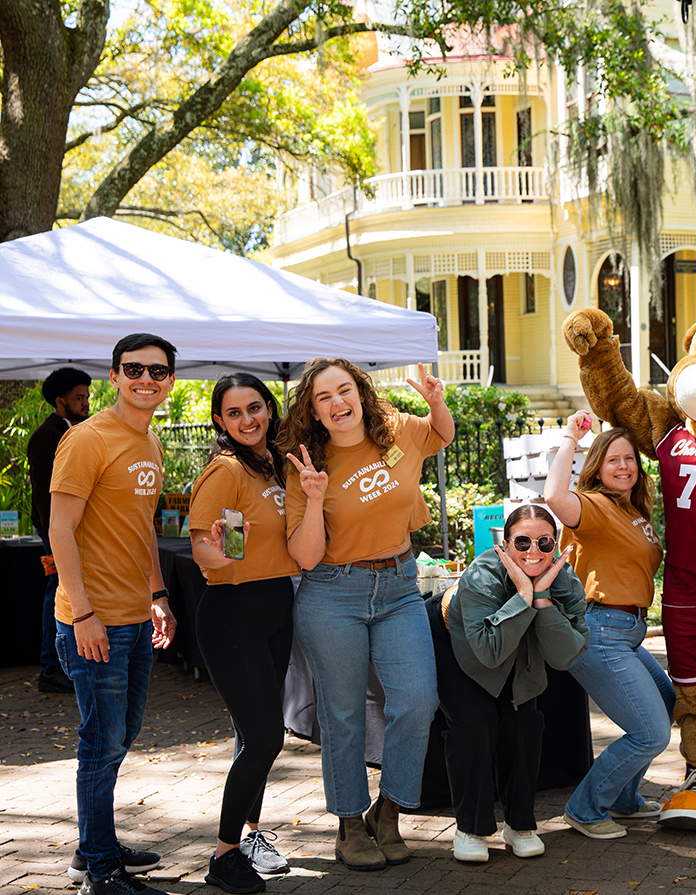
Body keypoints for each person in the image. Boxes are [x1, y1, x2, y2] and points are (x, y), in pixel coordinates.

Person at [279, 359, 454, 872]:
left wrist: (436, 401)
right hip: (333, 593)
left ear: (360, 392)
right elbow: (306, 557)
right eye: (323, 397)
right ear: (312, 409)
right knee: (344, 714)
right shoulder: (307, 463)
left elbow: (439, 435)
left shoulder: (394, 428)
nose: (337, 403)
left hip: (399, 586)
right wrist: (313, 499)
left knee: (418, 701)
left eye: (344, 390)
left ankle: (390, 810)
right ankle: (349, 824)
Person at [50, 334, 178, 895]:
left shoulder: (149, 443)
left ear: (170, 381)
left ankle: (93, 842)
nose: (145, 379)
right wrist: (83, 614)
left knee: (119, 737)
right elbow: (60, 529)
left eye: (157, 370)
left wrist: (159, 595)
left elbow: (141, 528)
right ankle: (99, 870)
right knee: (101, 744)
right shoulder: (87, 439)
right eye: (134, 369)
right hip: (92, 620)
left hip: (132, 615)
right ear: (114, 375)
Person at [188, 374, 300, 893]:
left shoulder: (272, 464)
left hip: (275, 610)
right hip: (233, 616)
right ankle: (224, 855)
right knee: (263, 737)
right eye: (234, 414)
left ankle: (250, 836)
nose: (247, 420)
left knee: (256, 735)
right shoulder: (226, 471)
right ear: (220, 422)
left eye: (255, 408)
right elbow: (206, 554)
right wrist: (223, 550)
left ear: (268, 409)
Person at [427, 505, 588, 862]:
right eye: (523, 541)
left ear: (556, 544)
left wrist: (542, 598)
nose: (534, 551)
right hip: (457, 646)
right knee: (475, 722)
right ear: (505, 544)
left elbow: (566, 656)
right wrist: (523, 596)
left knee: (524, 722)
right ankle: (470, 828)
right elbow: (488, 651)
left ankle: (519, 826)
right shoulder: (482, 575)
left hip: (517, 650)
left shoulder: (564, 579)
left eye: (545, 542)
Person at [544, 411, 675, 840]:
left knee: (666, 699)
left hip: (628, 632)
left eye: (630, 459)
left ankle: (623, 799)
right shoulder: (597, 507)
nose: (624, 466)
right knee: (650, 732)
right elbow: (555, 498)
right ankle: (585, 808)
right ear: (597, 468)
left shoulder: (633, 510)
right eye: (613, 460)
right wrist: (570, 439)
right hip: (600, 631)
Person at [28, 366, 92, 694]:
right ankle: (52, 667)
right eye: (78, 398)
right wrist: (50, 537)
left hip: (75, 531)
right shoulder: (46, 436)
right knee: (57, 591)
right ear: (60, 401)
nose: (85, 403)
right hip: (55, 531)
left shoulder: (80, 432)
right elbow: (42, 493)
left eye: (87, 397)